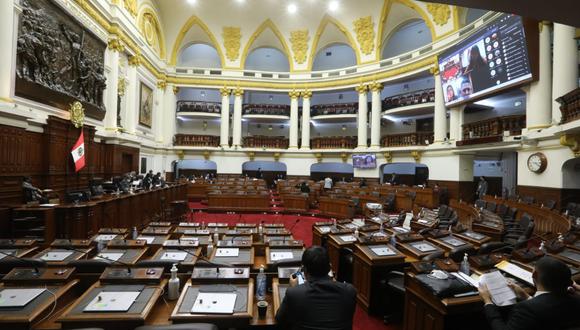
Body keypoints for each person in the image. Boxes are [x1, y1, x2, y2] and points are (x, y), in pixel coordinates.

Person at [478, 256, 580, 330]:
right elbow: (550, 308)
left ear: (534, 275)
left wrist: (488, 302)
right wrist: (526, 296)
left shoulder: (526, 309)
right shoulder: (576, 300)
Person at [275, 246, 357, 330]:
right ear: (330, 267)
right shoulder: (349, 291)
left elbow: (280, 319)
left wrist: (293, 288)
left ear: (305, 270)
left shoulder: (294, 294)